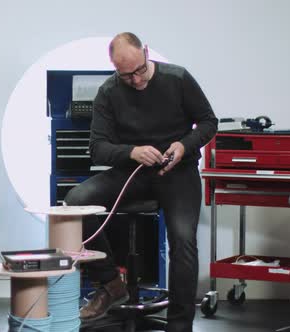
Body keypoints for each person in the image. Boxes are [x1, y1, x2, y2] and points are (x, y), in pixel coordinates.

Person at [64, 32, 218, 332]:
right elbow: (97, 147)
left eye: (140, 70)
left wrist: (184, 146)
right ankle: (110, 284)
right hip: (131, 173)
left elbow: (209, 122)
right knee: (75, 202)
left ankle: (179, 325)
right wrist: (131, 151)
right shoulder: (108, 91)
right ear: (113, 67)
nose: (135, 80)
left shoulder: (178, 78)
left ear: (146, 52)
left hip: (178, 172)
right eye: (126, 75)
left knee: (183, 241)